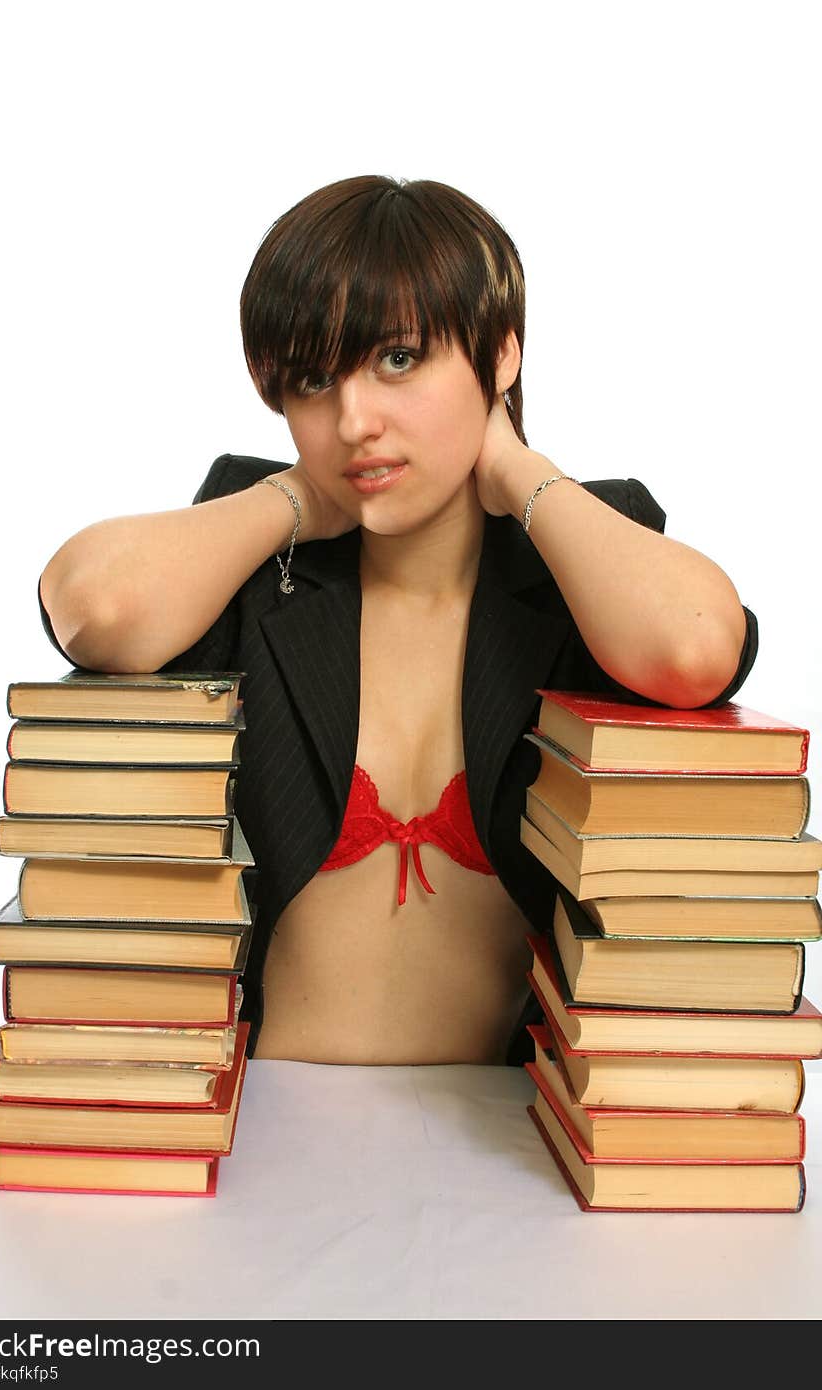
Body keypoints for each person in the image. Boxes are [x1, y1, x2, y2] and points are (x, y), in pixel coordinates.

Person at [37, 174, 758, 1068]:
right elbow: (93, 610)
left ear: (501, 356)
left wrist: (516, 473)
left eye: (399, 360)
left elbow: (694, 651)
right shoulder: (257, 562)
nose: (353, 421)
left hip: (508, 1151)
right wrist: (296, 494)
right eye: (311, 380)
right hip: (277, 1135)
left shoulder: (580, 558)